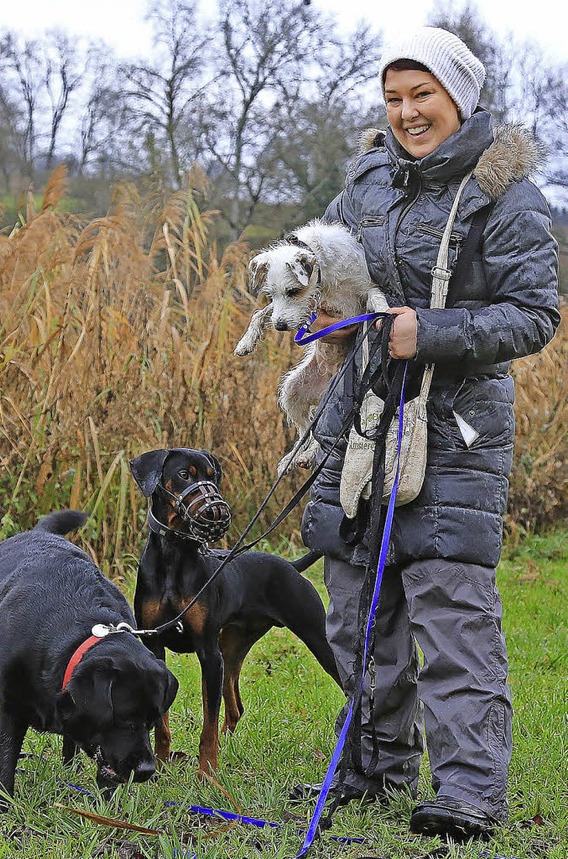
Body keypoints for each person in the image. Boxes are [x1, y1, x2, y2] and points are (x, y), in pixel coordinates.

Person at [293, 27, 561, 841]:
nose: (407, 113)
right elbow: (328, 253)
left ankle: (470, 792)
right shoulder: (368, 179)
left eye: (423, 97)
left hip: (458, 431)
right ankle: (375, 768)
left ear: (460, 98)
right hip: (362, 418)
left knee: (451, 610)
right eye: (395, 99)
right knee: (354, 608)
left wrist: (430, 331)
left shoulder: (507, 196)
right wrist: (307, 296)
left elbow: (536, 314)